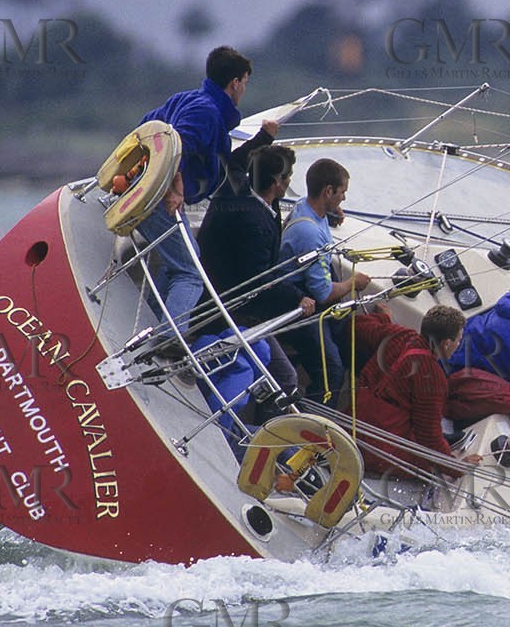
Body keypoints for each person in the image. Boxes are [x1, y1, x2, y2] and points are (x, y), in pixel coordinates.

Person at [135, 45, 277, 329]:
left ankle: (150, 325)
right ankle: (169, 337)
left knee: (180, 263)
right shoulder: (206, 111)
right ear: (234, 83)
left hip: (147, 190)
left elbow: (146, 128)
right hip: (160, 197)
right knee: (191, 274)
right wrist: (175, 187)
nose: (244, 89)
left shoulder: (187, 99)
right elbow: (178, 146)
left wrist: (263, 138)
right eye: (245, 82)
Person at [194, 145, 315, 400]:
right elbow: (258, 277)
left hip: (210, 291)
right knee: (285, 377)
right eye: (288, 177)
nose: (290, 182)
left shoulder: (236, 187)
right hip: (230, 309)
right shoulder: (255, 224)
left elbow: (235, 162)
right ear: (276, 182)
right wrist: (298, 298)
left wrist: (265, 139)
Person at [351, 305, 485, 478]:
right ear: (446, 344)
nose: (458, 345)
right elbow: (428, 438)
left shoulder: (400, 334)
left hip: (353, 419)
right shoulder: (432, 376)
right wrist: (456, 467)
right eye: (458, 340)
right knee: (428, 468)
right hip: (376, 445)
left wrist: (384, 318)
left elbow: (358, 325)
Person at [279, 157, 372, 399]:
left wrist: (330, 213)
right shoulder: (309, 233)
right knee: (332, 373)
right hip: (300, 307)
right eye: (342, 192)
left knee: (357, 348)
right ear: (328, 191)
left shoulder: (305, 206)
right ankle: (311, 416)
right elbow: (323, 293)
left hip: (310, 290)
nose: (344, 198)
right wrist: (353, 284)